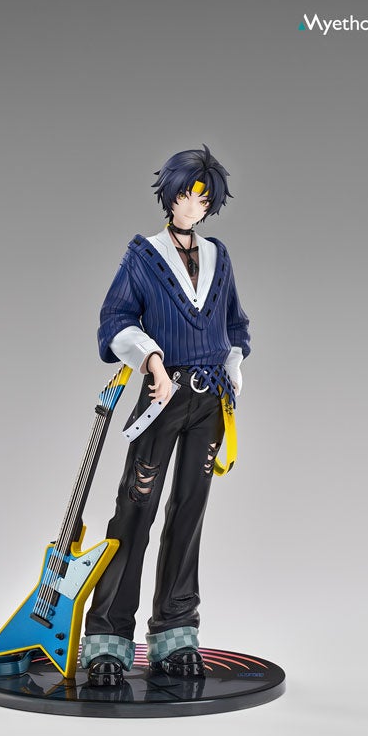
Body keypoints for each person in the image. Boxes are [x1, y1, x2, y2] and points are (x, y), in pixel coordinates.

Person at [81, 145, 251, 686]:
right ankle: (107, 635)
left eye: (202, 199)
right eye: (185, 195)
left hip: (210, 399)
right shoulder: (143, 256)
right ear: (169, 195)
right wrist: (151, 359)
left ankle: (176, 630)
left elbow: (236, 325)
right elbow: (115, 318)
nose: (192, 206)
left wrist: (233, 367)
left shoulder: (219, 257)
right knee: (135, 508)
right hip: (163, 396)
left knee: (190, 512)